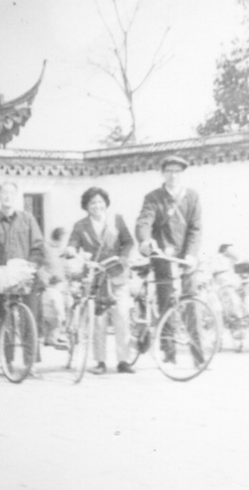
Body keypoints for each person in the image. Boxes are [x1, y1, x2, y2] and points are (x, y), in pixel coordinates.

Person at [0, 181, 45, 370]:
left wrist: (32, 264)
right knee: (6, 319)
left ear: (16, 196)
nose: (7, 196)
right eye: (4, 192)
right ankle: (8, 361)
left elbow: (38, 246)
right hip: (4, 278)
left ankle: (30, 362)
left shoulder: (28, 219)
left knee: (30, 319)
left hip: (27, 275)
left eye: (11, 193)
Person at [136, 155, 202, 364]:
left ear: (182, 174)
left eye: (177, 171)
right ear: (163, 173)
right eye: (169, 171)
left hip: (185, 259)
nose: (173, 175)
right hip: (163, 256)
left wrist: (191, 253)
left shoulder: (192, 196)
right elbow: (144, 221)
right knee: (165, 301)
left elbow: (195, 228)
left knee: (191, 303)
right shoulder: (153, 197)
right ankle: (169, 352)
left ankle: (199, 355)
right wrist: (145, 241)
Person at [67, 187, 135, 374]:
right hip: (95, 277)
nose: (97, 206)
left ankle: (123, 360)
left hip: (117, 274)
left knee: (121, 316)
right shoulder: (80, 226)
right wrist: (71, 249)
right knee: (98, 321)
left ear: (106, 203)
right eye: (92, 203)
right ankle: (100, 361)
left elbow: (129, 242)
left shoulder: (117, 220)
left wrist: (124, 256)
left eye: (100, 202)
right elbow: (73, 242)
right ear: (86, 206)